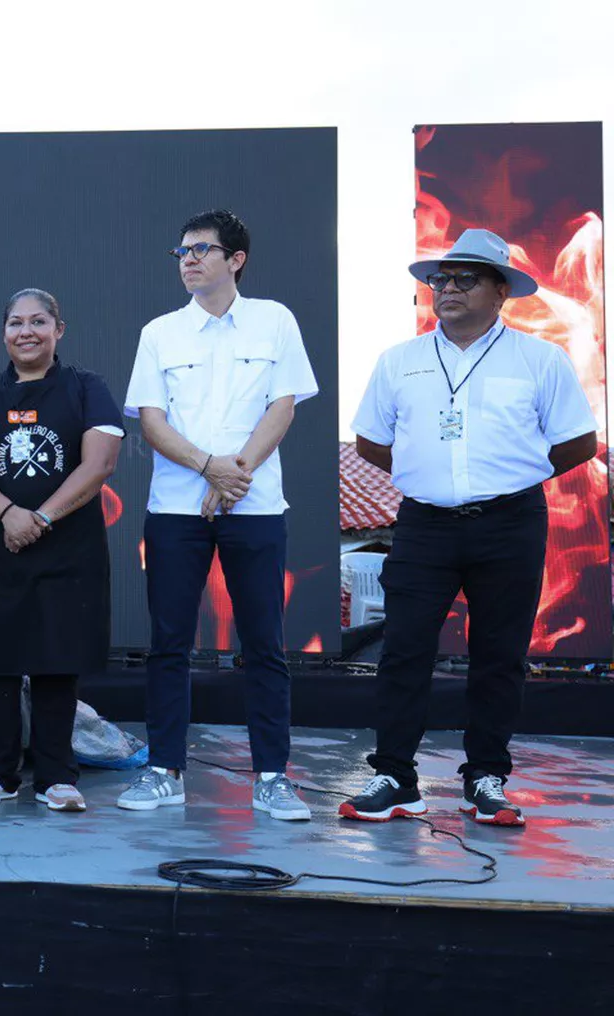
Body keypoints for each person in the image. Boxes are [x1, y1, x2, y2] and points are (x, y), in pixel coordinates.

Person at [341, 228, 596, 827]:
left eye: (465, 278)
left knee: (499, 655)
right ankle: (395, 778)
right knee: (404, 650)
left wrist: (514, 474)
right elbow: (371, 441)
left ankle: (485, 778)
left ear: (501, 291)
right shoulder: (400, 360)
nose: (447, 288)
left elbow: (579, 441)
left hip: (510, 522)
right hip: (424, 523)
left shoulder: (539, 359)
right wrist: (425, 473)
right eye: (440, 279)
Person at [119, 209, 318, 821]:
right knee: (168, 644)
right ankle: (164, 771)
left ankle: (272, 777)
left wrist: (235, 477)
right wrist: (210, 468)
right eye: (181, 251)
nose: (188, 260)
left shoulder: (274, 320)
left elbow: (282, 407)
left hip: (255, 507)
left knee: (264, 643)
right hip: (175, 508)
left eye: (201, 249)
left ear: (236, 259)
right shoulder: (160, 332)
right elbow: (151, 420)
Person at [0, 289, 122, 812]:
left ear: (58, 330)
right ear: (3, 332)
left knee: (57, 659)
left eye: (39, 322)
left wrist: (42, 517)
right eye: (16, 323)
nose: (26, 332)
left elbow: (99, 465)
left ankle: (56, 776)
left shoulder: (88, 388)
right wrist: (8, 513)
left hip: (67, 547)